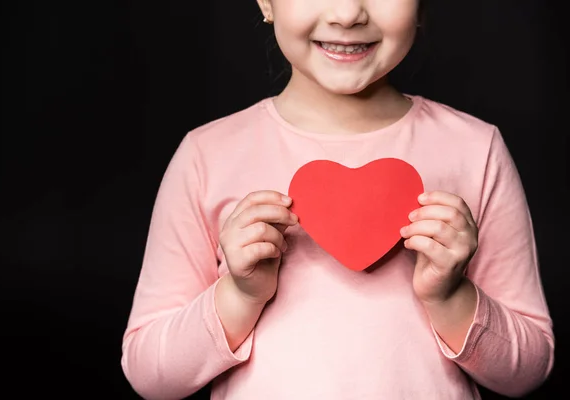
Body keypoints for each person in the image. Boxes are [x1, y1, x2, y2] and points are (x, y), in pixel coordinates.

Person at [120, 0, 554, 399]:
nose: (347, 13)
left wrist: (449, 295)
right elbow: (150, 375)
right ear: (266, 3)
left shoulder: (475, 149)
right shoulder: (206, 155)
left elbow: (529, 370)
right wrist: (240, 293)